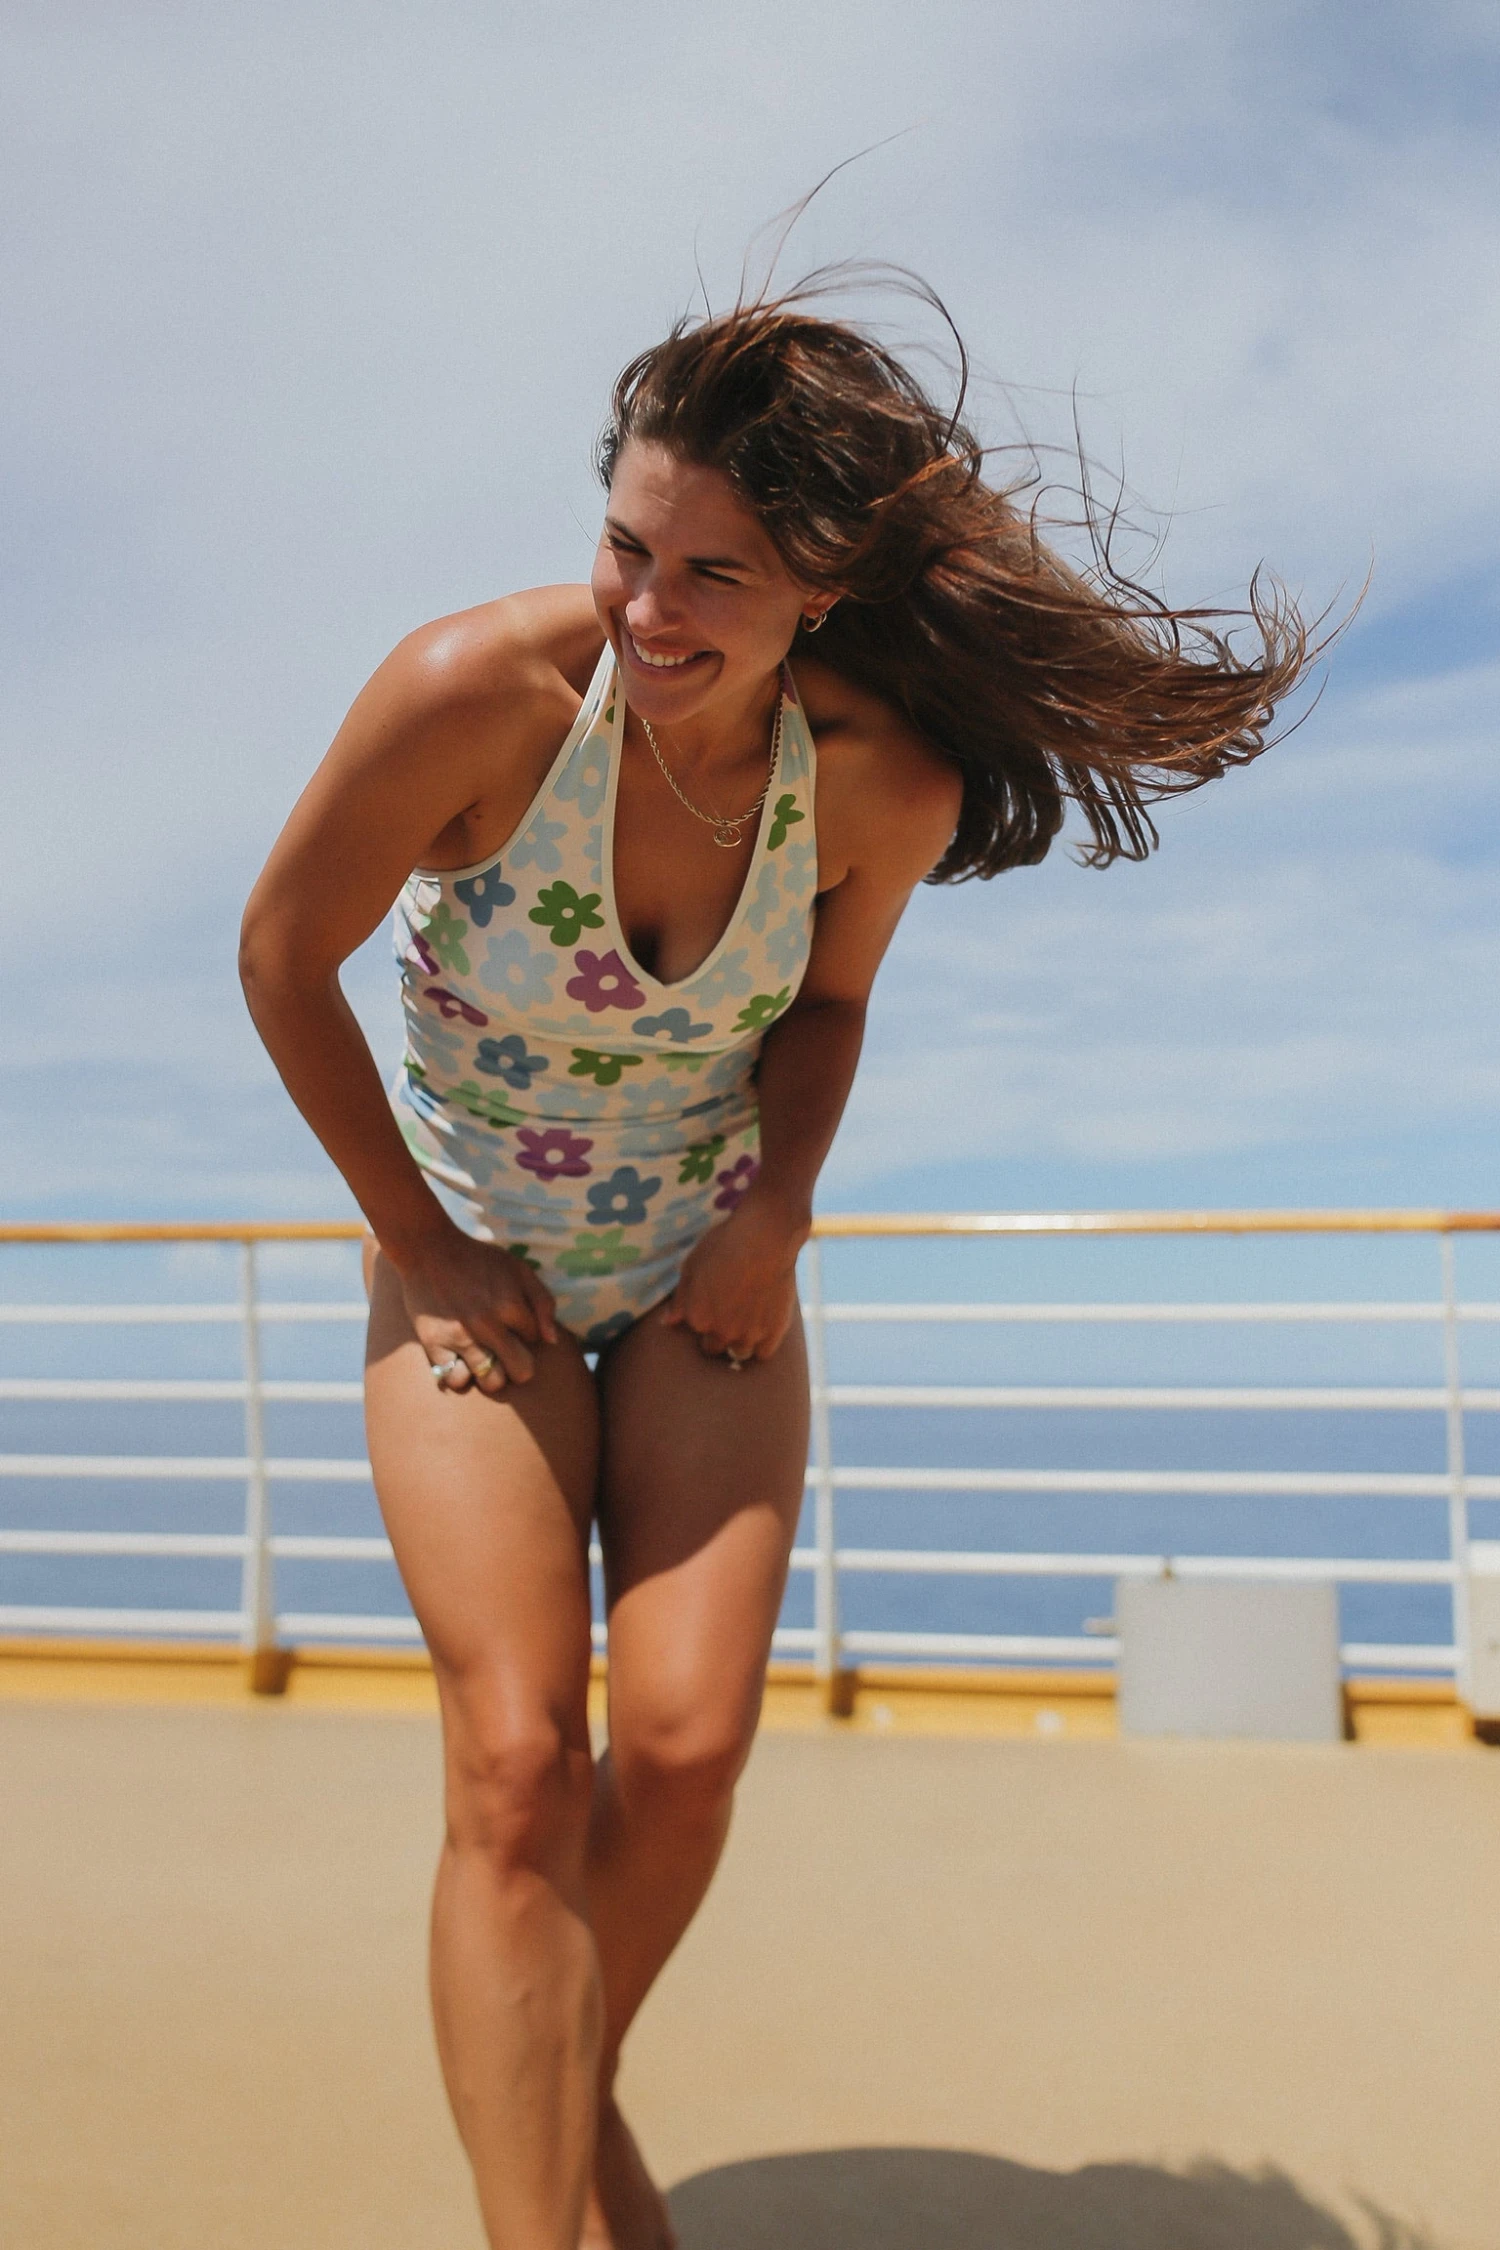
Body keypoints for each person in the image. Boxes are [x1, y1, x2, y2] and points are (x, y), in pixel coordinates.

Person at [240, 284, 1309, 2250]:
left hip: (706, 1269)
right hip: (475, 1262)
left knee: (686, 1747)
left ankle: (553, 2069)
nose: (651, 608)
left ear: (823, 590)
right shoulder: (475, 697)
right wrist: (420, 1241)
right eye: (628, 547)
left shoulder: (876, 782)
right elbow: (278, 954)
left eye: (714, 575)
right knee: (516, 1760)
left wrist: (777, 1210)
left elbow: (822, 1013)